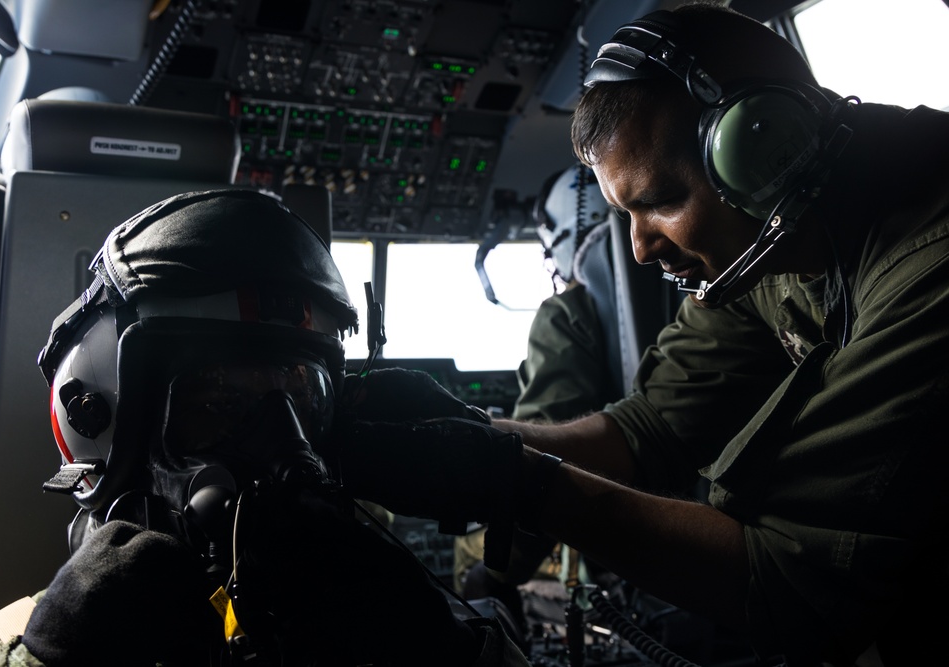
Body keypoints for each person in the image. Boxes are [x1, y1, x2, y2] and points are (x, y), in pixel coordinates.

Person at [334, 3, 949, 666]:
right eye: (625, 212)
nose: (639, 247)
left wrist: (514, 482)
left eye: (659, 200)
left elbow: (794, 587)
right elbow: (649, 429)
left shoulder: (929, 262)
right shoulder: (771, 240)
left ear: (770, 145)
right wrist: (477, 433)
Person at [0, 188, 529, 667]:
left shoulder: (367, 619)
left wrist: (448, 650)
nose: (286, 449)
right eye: (222, 403)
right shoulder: (10, 642)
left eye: (302, 399)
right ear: (101, 426)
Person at [455, 164, 619, 614]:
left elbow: (537, 472)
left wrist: (499, 573)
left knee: (469, 558)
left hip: (615, 534)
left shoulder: (567, 314)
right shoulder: (699, 292)